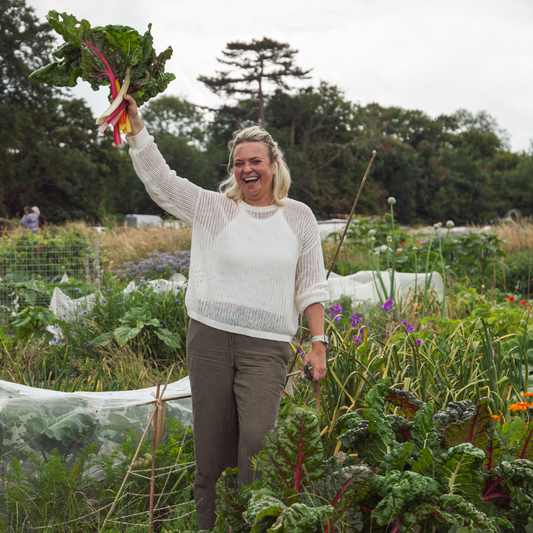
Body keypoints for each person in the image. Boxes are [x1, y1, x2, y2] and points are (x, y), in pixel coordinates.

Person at [124, 94, 329, 531]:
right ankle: (209, 526)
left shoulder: (299, 218)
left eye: (255, 161)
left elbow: (310, 285)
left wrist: (318, 344)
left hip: (266, 347)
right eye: (238, 163)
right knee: (212, 448)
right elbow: (161, 181)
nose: (246, 170)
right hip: (211, 339)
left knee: (258, 440)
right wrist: (136, 126)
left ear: (274, 164)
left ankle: (249, 523)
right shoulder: (214, 209)